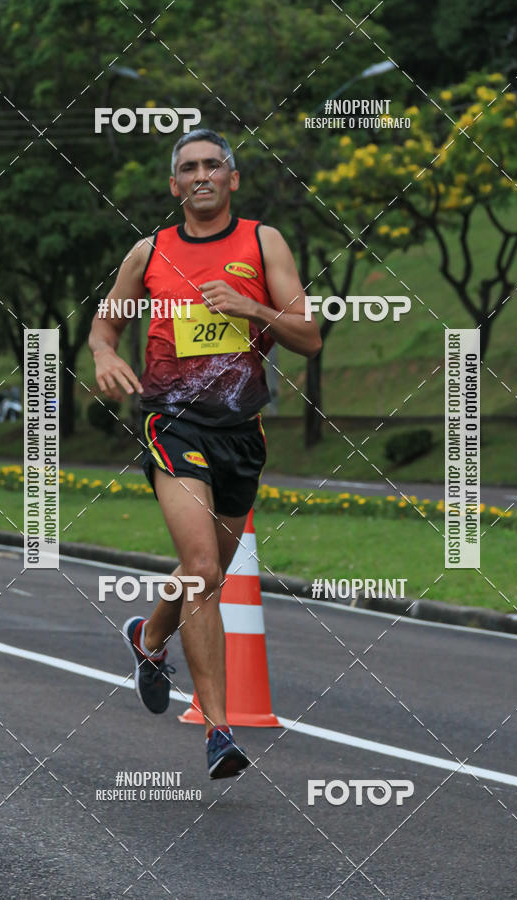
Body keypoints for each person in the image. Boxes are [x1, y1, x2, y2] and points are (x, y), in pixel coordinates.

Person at [88, 128, 321, 779]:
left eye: (212, 165)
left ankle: (148, 636)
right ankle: (219, 731)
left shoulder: (262, 241)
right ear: (174, 184)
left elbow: (310, 336)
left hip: (241, 433)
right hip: (174, 426)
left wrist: (252, 306)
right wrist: (106, 353)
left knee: (207, 575)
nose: (200, 175)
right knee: (199, 565)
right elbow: (107, 323)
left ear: (232, 178)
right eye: (187, 167)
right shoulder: (150, 251)